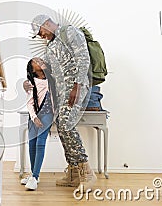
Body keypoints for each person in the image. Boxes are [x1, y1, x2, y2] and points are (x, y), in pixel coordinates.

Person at [26, 14, 97, 192]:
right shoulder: (50, 46)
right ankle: (73, 172)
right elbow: (46, 71)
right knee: (61, 125)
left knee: (66, 124)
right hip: (61, 92)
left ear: (47, 23)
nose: (41, 36)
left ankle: (86, 172)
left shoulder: (70, 32)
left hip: (75, 87)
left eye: (40, 31)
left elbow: (83, 59)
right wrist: (28, 81)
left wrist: (77, 85)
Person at [21, 58, 55, 190]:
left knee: (40, 143)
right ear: (32, 69)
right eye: (35, 62)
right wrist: (34, 117)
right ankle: (34, 175)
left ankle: (35, 177)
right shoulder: (32, 82)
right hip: (34, 116)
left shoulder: (51, 79)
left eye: (40, 60)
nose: (39, 61)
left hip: (47, 115)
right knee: (32, 144)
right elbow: (29, 103)